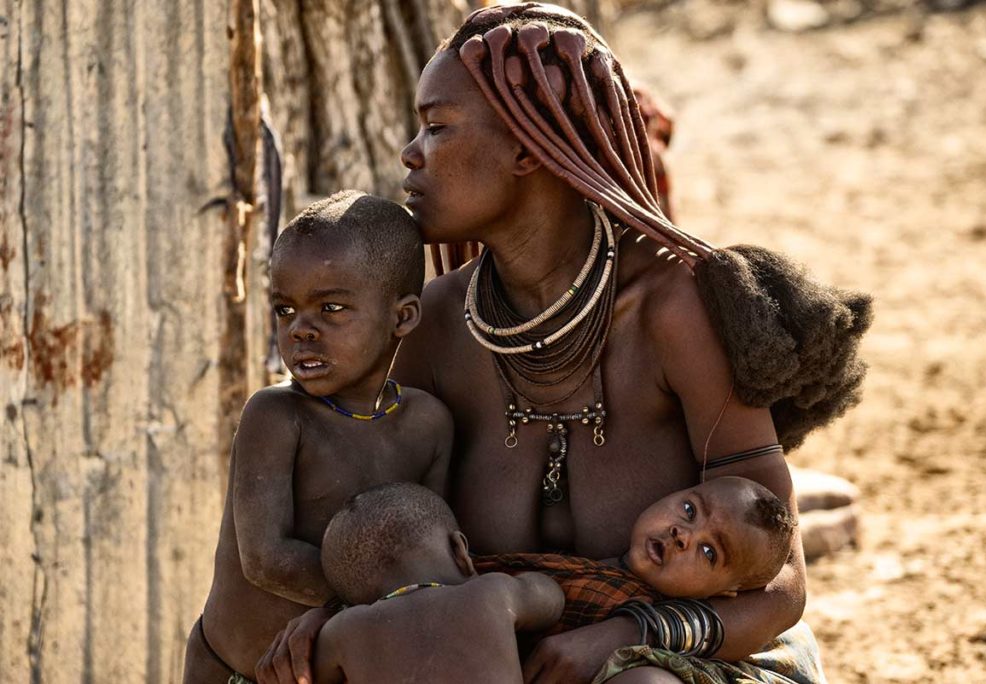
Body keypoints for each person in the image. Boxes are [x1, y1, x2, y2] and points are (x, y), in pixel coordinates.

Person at [257, 4, 867, 683]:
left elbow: (779, 584)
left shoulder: (676, 308)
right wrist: (342, 605)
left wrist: (623, 637)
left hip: (682, 658)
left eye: (436, 127)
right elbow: (384, 529)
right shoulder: (430, 325)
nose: (409, 152)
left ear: (526, 149)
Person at [183, 191, 454, 683]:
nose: (301, 331)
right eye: (285, 311)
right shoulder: (277, 416)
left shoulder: (428, 426)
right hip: (230, 669)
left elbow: (426, 551)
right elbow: (264, 558)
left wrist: (342, 611)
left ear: (403, 316)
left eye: (331, 308)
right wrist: (355, 599)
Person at [475, 475, 799, 635]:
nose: (682, 534)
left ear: (726, 593)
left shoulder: (639, 617)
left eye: (708, 551)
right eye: (689, 509)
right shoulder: (591, 566)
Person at [311, 482, 565, 684]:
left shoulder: (344, 631)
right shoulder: (491, 594)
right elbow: (552, 598)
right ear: (460, 550)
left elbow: (299, 671)